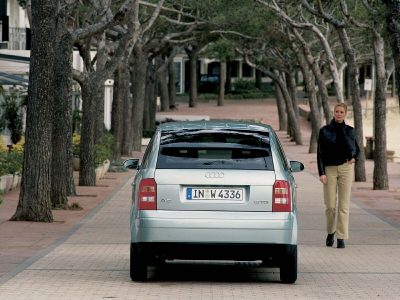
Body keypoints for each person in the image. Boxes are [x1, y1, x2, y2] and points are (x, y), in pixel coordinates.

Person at [317, 103, 360, 249]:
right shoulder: (324, 131)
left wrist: (355, 158)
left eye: (342, 112)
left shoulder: (350, 131)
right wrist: (321, 173)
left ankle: (341, 237)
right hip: (329, 169)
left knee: (344, 206)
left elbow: (357, 150)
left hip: (346, 169)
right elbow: (320, 154)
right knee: (330, 206)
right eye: (337, 111)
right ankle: (330, 232)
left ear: (345, 113)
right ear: (333, 113)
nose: (339, 114)